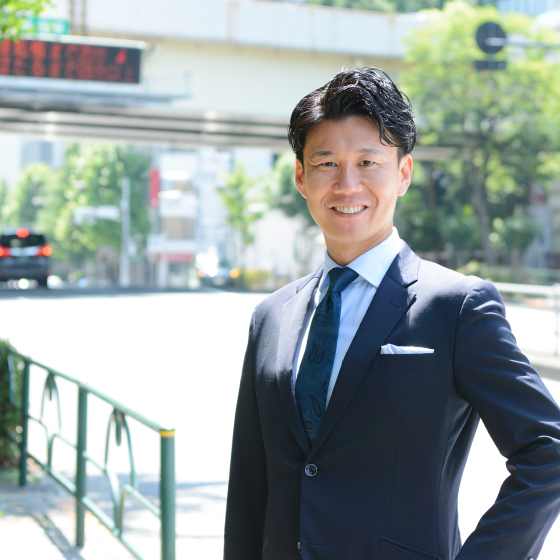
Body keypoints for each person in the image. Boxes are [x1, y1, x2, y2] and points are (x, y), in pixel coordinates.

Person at [223, 67, 560, 560]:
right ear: (301, 177)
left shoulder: (456, 306)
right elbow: (250, 487)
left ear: (403, 174)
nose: (347, 185)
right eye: (326, 164)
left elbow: (547, 450)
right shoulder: (270, 317)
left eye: (368, 162)